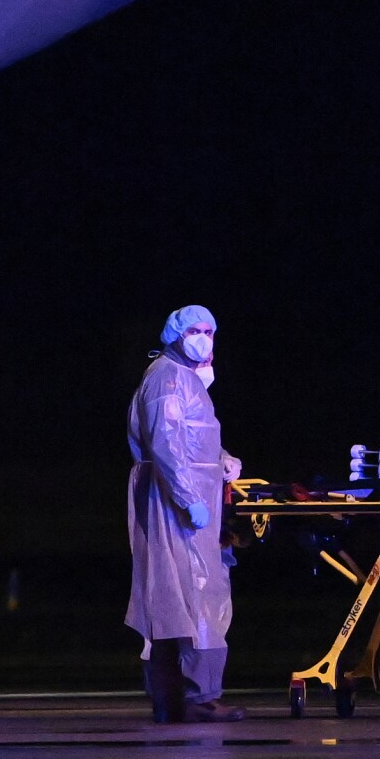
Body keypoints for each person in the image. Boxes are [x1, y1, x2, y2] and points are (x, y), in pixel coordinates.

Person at [125, 305, 246, 723]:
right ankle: (199, 697)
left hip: (191, 500)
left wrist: (223, 458)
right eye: (195, 330)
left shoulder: (185, 380)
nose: (205, 339)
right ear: (175, 333)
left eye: (211, 331)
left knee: (175, 598)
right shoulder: (167, 379)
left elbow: (190, 439)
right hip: (178, 505)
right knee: (194, 597)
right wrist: (187, 497)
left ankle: (175, 699)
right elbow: (167, 446)